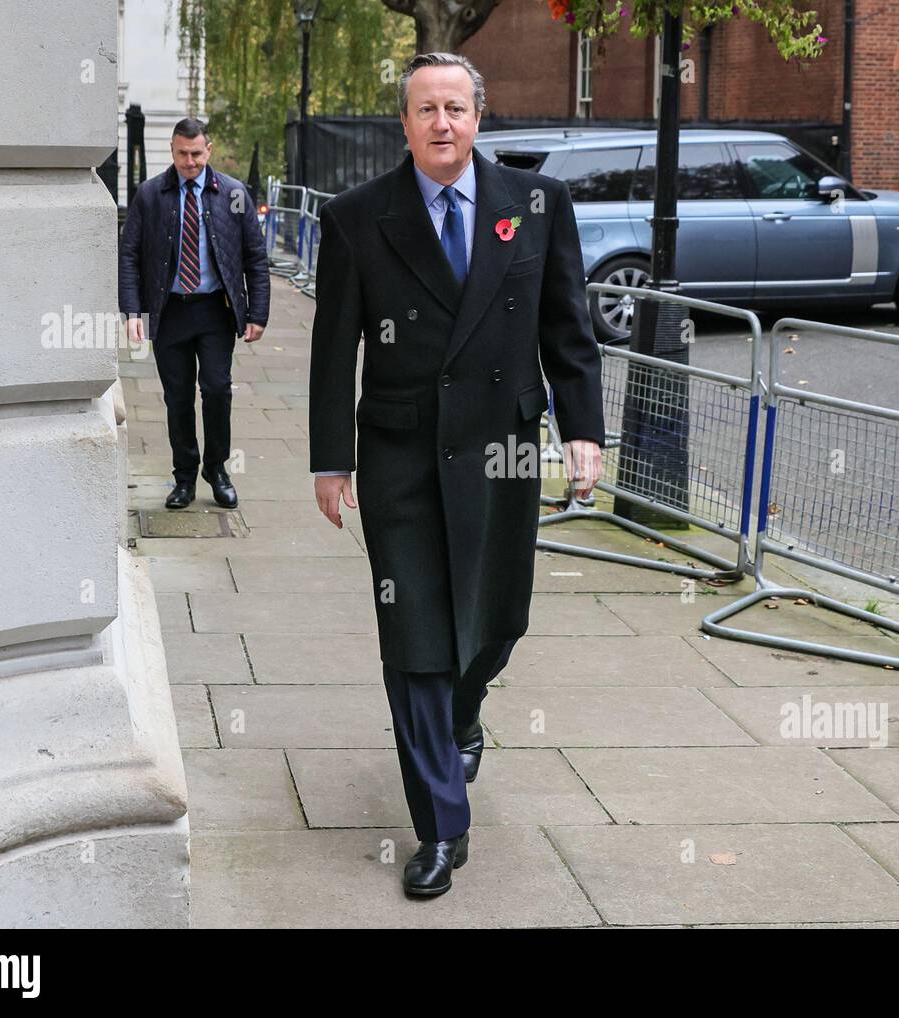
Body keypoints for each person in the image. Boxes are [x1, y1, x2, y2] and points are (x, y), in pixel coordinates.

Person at [309, 53, 604, 897]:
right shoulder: (358, 218)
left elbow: (567, 326)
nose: (443, 123)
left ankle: (465, 714)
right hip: (400, 458)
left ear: (480, 117)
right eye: (426, 109)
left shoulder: (537, 205)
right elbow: (336, 350)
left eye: (457, 108)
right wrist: (332, 459)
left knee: (496, 624)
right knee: (416, 645)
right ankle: (443, 827)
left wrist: (582, 429)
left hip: (501, 453)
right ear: (403, 123)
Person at [119, 117, 270, 510]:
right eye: (183, 154)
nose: (190, 162)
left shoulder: (234, 193)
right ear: (172, 150)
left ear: (209, 150)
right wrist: (133, 310)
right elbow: (129, 255)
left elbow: (256, 256)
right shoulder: (150, 195)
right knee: (178, 398)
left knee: (218, 390)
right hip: (169, 312)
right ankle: (184, 476)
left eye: (197, 154)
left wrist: (258, 312)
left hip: (215, 311)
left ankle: (216, 469)